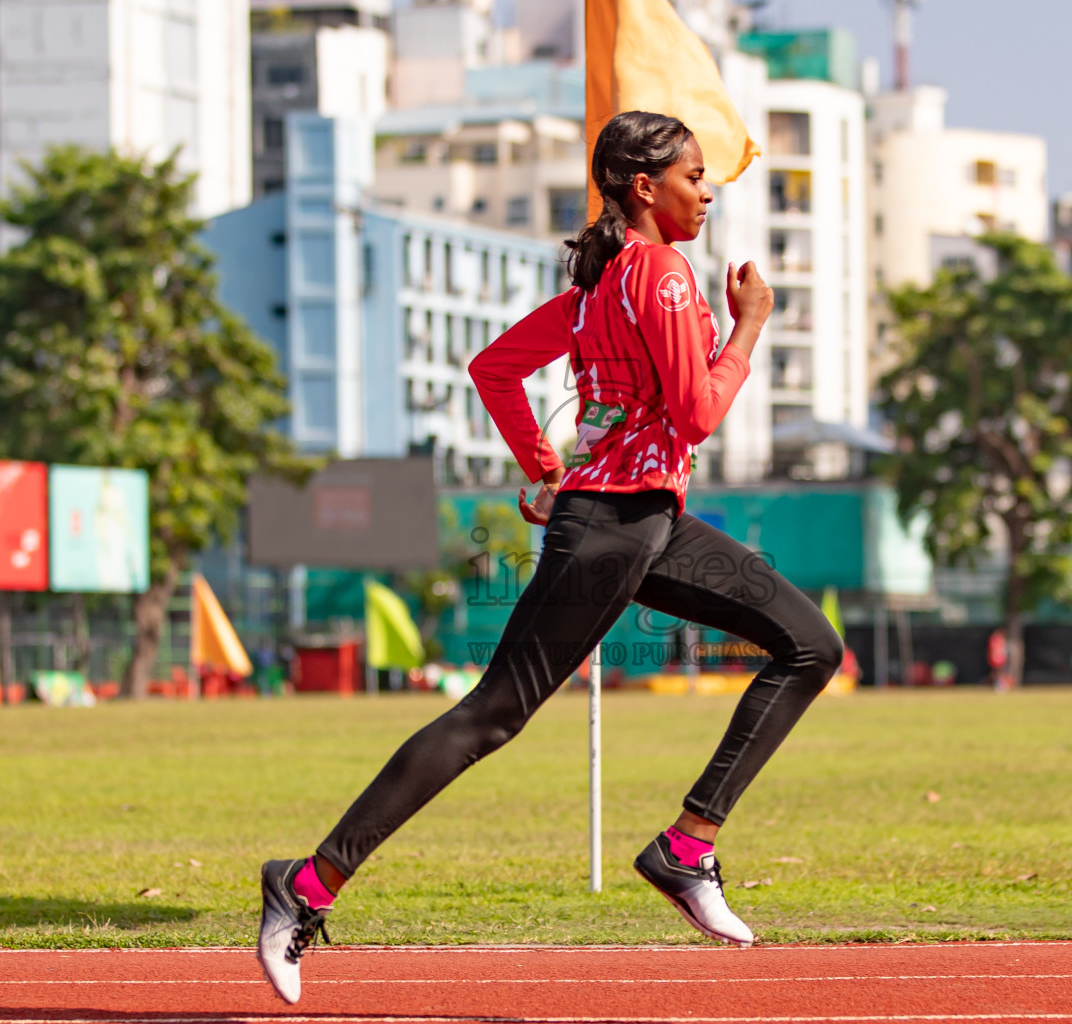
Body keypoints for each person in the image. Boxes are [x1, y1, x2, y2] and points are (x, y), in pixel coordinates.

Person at [256, 111, 843, 1005]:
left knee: (812, 645)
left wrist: (545, 468)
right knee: (491, 715)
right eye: (693, 176)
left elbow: (493, 367)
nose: (708, 191)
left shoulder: (601, 283)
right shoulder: (665, 276)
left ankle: (686, 847)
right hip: (612, 529)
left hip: (644, 520)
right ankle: (306, 884)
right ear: (643, 188)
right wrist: (750, 326)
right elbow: (697, 416)